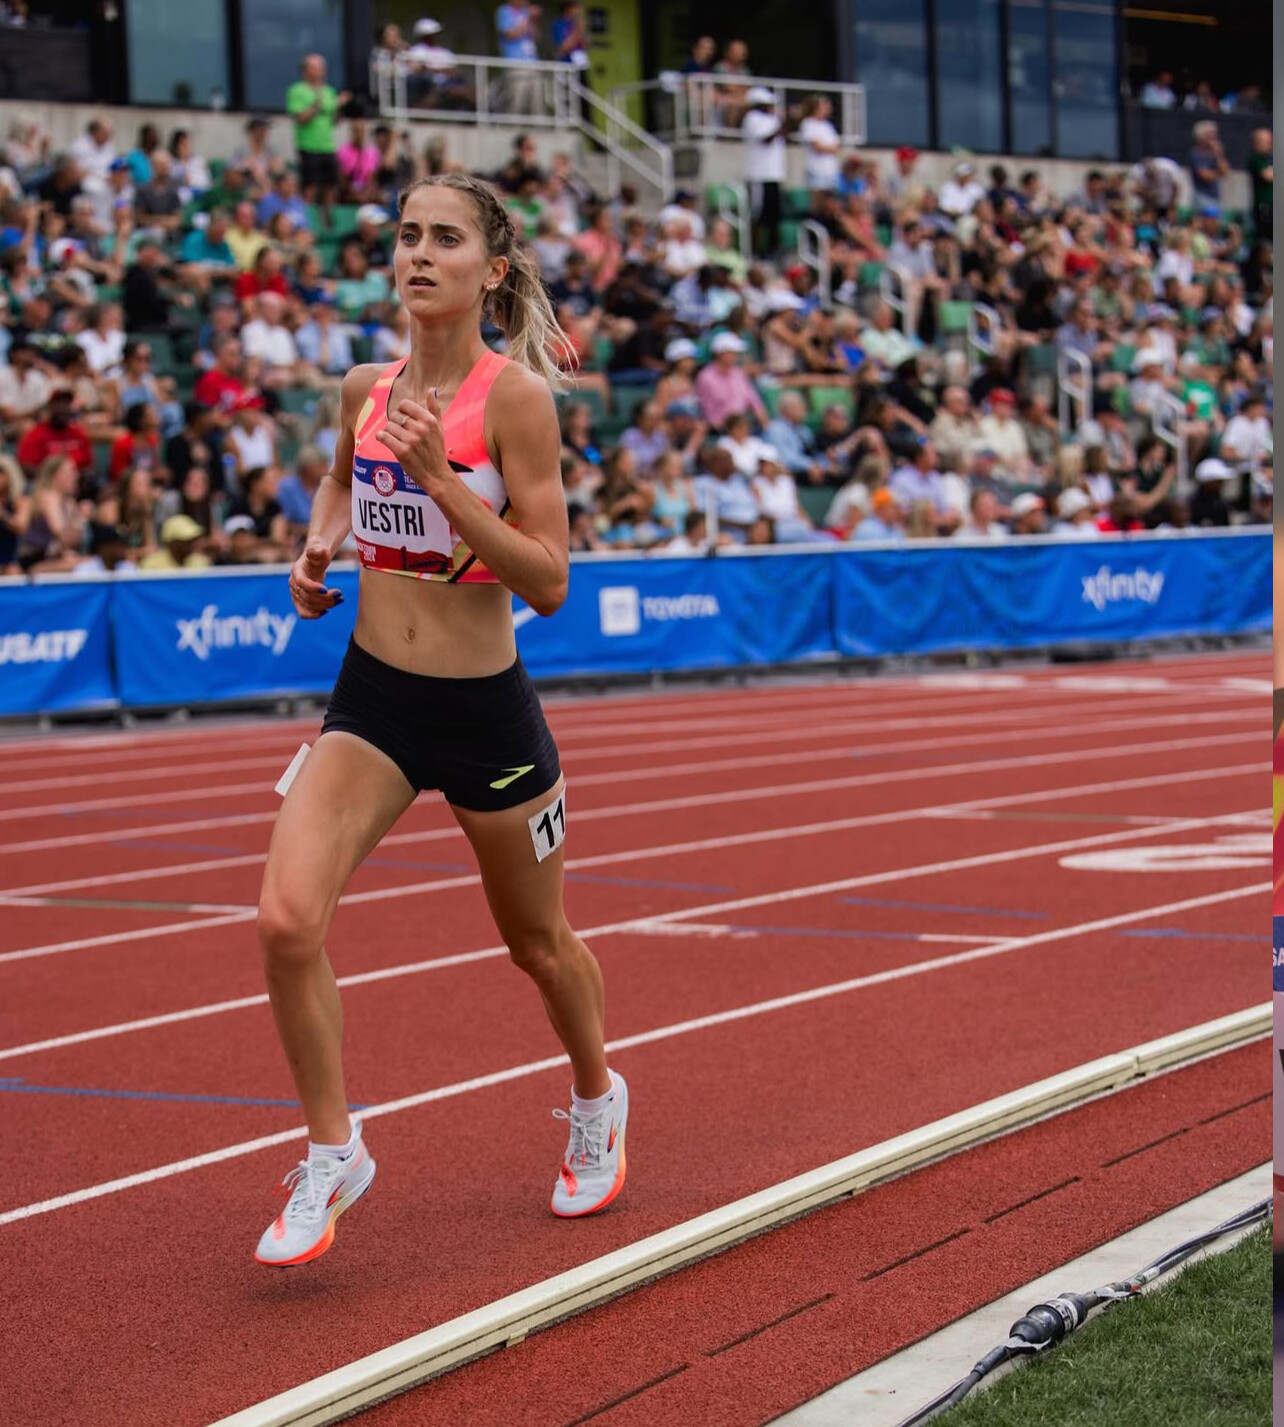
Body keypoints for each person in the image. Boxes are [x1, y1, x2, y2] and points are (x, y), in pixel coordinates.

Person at [253, 172, 625, 1267]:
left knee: (537, 943)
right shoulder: (363, 387)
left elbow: (549, 580)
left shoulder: (517, 401)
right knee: (285, 920)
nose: (419, 253)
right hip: (374, 697)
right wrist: (318, 546)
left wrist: (443, 482)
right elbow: (339, 483)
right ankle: (334, 1151)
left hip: (484, 713)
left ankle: (597, 1097)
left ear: (491, 270)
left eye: (446, 238)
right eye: (408, 234)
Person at [287, 55, 352, 221]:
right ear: (306, 70)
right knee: (310, 185)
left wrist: (341, 107)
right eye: (316, 67)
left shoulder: (329, 91)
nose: (321, 71)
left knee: (331, 184)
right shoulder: (296, 91)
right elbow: (300, 118)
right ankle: (305, 218)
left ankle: (328, 217)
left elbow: (334, 121)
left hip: (327, 145)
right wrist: (317, 104)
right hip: (308, 145)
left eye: (322, 67)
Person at [742, 88, 784, 259]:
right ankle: (756, 250)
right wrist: (782, 126)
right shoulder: (752, 118)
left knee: (774, 215)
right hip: (759, 175)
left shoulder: (773, 119)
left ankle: (773, 248)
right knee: (758, 215)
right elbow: (765, 139)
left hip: (774, 173)